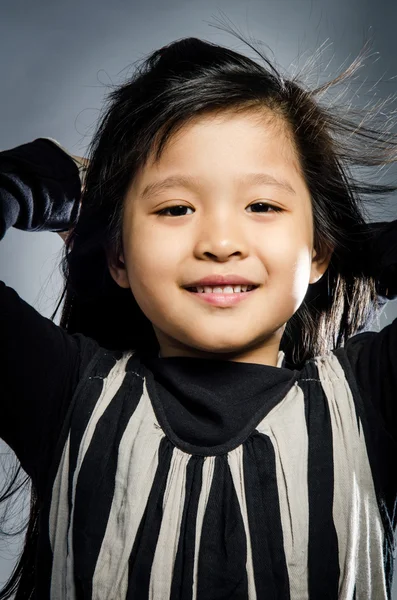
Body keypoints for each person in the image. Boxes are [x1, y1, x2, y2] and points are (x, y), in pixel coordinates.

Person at [1, 34, 397, 600]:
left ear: (317, 249)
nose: (219, 241)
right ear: (118, 256)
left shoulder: (370, 402)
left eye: (262, 205)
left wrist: (354, 258)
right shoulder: (66, 395)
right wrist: (65, 184)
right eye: (175, 208)